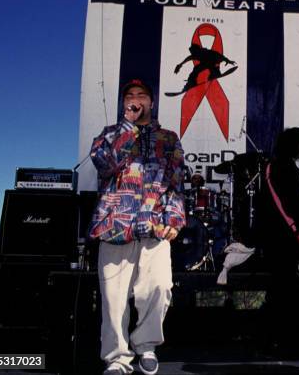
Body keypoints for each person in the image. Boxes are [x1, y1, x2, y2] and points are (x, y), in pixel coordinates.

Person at [89, 79, 186, 375]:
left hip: (154, 226)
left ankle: (146, 345)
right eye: (129, 96)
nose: (135, 99)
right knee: (114, 299)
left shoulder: (168, 139)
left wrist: (174, 219)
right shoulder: (109, 136)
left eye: (141, 95)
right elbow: (105, 165)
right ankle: (117, 358)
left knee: (159, 288)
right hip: (114, 227)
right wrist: (127, 128)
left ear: (151, 102)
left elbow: (176, 182)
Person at [258, 127, 299, 353]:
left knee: (280, 288)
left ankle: (275, 338)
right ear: (295, 145)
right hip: (283, 237)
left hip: (277, 236)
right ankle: (280, 339)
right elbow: (292, 205)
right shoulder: (285, 169)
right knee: (284, 288)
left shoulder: (275, 167)